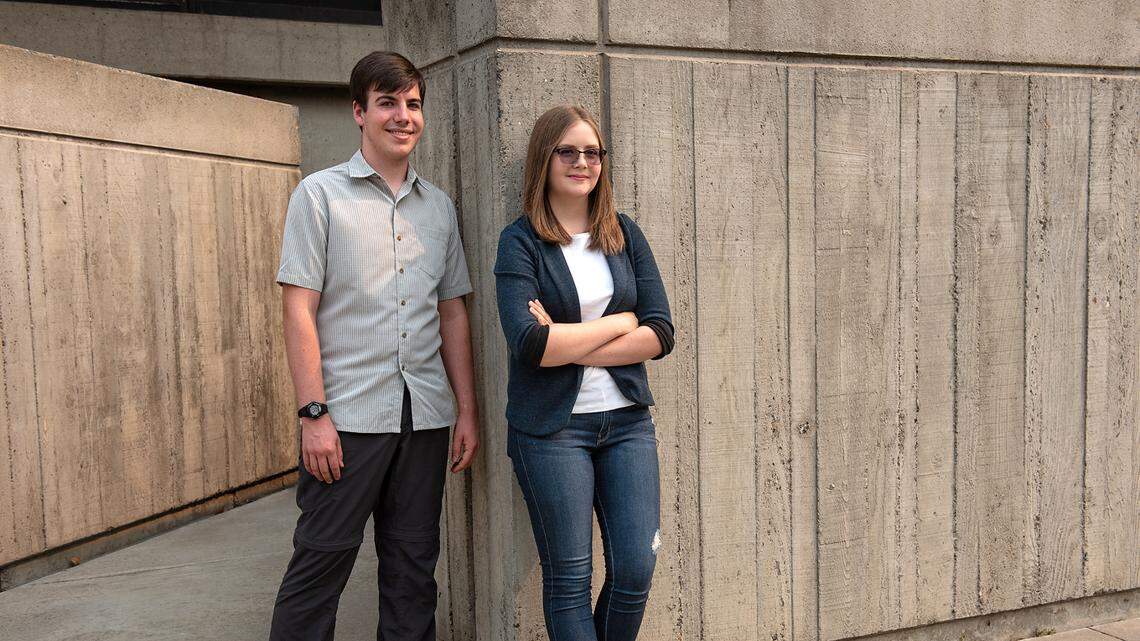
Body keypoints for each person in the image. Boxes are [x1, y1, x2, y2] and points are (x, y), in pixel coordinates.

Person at [269, 50, 479, 641]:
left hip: (424, 418)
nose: (403, 116)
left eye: (413, 104)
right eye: (388, 103)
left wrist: (466, 410)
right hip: (347, 420)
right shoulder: (319, 196)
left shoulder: (438, 207)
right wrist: (313, 414)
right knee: (320, 566)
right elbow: (298, 310)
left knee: (413, 572)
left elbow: (452, 312)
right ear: (359, 112)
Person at [493, 105, 675, 641]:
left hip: (627, 424)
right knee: (569, 579)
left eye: (592, 152)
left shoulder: (623, 234)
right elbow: (531, 344)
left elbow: (660, 333)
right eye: (567, 151)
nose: (582, 162)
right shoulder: (520, 241)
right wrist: (619, 323)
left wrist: (568, 343)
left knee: (636, 569)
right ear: (544, 158)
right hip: (552, 431)